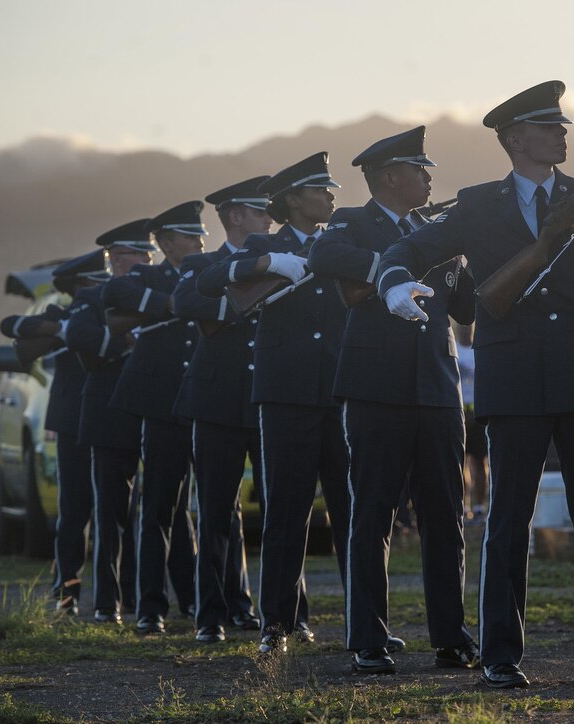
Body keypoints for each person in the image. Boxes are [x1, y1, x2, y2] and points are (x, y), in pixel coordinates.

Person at [375, 81, 574, 688]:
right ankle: (501, 655)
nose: (564, 134)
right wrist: (394, 284)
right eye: (549, 127)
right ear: (516, 140)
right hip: (515, 378)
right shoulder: (476, 205)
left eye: (563, 126)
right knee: (507, 521)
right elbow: (408, 247)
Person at [308, 126, 478, 675]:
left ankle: (451, 636)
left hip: (436, 386)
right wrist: (392, 267)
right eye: (418, 169)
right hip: (377, 386)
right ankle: (368, 639)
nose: (429, 177)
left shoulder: (438, 230)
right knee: (372, 514)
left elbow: (468, 307)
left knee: (444, 517)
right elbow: (324, 253)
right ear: (388, 178)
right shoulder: (353, 223)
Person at [195, 152, 353, 656]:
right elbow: (207, 280)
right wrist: (269, 264)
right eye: (320, 190)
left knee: (354, 513)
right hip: (285, 396)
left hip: (341, 391)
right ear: (292, 199)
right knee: (287, 512)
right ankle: (277, 623)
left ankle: (365, 624)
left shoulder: (343, 237)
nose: (331, 196)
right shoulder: (265, 244)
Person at [171, 177, 273, 642]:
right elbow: (185, 301)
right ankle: (210, 616)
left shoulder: (283, 257)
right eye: (258, 212)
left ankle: (275, 612)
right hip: (216, 400)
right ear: (235, 217)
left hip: (270, 395)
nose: (268, 219)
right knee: (214, 511)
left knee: (281, 511)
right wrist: (240, 294)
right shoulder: (202, 263)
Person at [103, 201, 205, 634]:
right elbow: (115, 295)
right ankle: (150, 606)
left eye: (200, 235)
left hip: (203, 401)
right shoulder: (148, 276)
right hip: (162, 406)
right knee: (159, 508)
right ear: (165, 243)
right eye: (189, 237)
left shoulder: (208, 270)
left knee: (212, 513)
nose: (200, 242)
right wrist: (177, 303)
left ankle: (204, 602)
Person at [0, 249, 110, 615]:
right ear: (80, 286)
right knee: (73, 511)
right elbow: (13, 326)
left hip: (107, 418)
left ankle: (112, 597)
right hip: (70, 421)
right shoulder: (58, 314)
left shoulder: (106, 315)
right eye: (97, 280)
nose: (103, 285)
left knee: (110, 513)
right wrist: (60, 329)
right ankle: (67, 591)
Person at [65, 220, 154, 623]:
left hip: (152, 411)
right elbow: (82, 337)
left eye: (148, 255)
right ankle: (106, 602)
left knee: (157, 514)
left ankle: (152, 600)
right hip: (108, 413)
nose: (147, 261)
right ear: (117, 260)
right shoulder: (94, 297)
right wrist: (125, 342)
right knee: (110, 515)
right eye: (139, 255)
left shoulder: (153, 294)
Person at [454, 323, 488, 520]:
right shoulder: (453, 349)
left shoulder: (480, 349)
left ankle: (479, 507)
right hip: (459, 412)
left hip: (477, 413)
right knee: (461, 462)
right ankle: (463, 505)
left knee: (480, 461)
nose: (465, 330)